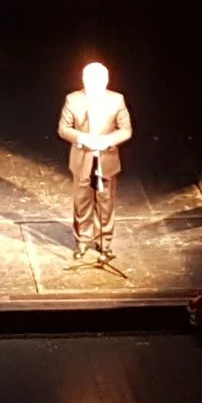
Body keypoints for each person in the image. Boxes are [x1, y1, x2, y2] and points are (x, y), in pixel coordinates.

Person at [57, 62, 133, 259]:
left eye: (98, 81)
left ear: (106, 81)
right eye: (89, 80)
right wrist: (82, 138)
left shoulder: (116, 100)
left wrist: (108, 141)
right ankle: (82, 241)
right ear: (83, 80)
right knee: (82, 202)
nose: (93, 84)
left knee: (106, 203)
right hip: (82, 159)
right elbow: (63, 129)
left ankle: (104, 243)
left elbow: (126, 130)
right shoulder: (73, 100)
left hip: (106, 158)